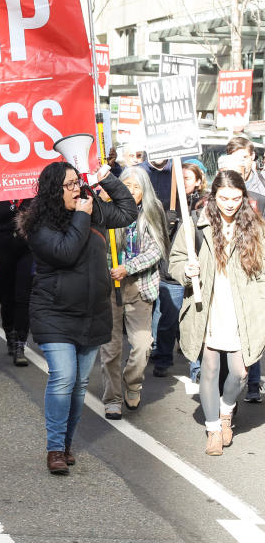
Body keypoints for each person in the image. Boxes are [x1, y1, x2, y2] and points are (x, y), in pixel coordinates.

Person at [20, 162, 136, 475]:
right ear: (53, 190)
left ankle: (67, 444)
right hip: (54, 313)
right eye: (69, 185)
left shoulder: (90, 207)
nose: (76, 189)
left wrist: (106, 179)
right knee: (64, 377)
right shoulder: (39, 224)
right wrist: (83, 216)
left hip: (93, 313)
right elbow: (66, 252)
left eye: (78, 182)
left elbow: (127, 212)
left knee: (80, 384)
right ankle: (55, 448)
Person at [170, 170, 265, 455]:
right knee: (209, 369)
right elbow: (174, 260)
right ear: (214, 196)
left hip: (243, 308)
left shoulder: (255, 227)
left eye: (236, 198)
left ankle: (226, 411)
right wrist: (186, 272)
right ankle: (213, 429)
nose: (230, 203)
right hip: (208, 305)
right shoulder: (195, 225)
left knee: (239, 372)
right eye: (224, 197)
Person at [99, 166, 169, 420]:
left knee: (142, 346)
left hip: (140, 286)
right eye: (126, 185)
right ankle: (112, 397)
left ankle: (133, 382)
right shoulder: (106, 209)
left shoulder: (152, 211)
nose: (131, 191)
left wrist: (127, 267)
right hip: (109, 288)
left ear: (145, 190)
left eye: (136, 187)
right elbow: (97, 244)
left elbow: (156, 250)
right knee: (111, 347)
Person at [153, 162, 207, 380]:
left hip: (197, 272)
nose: (183, 182)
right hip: (171, 272)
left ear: (197, 182)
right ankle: (164, 358)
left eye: (188, 178)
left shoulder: (204, 204)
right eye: (180, 177)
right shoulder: (167, 201)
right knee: (168, 321)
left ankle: (197, 368)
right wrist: (168, 223)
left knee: (196, 323)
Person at [0, 198, 33, 366]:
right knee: (7, 298)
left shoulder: (29, 189)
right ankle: (10, 333)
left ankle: (20, 343)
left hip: (26, 250)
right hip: (2, 249)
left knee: (23, 298)